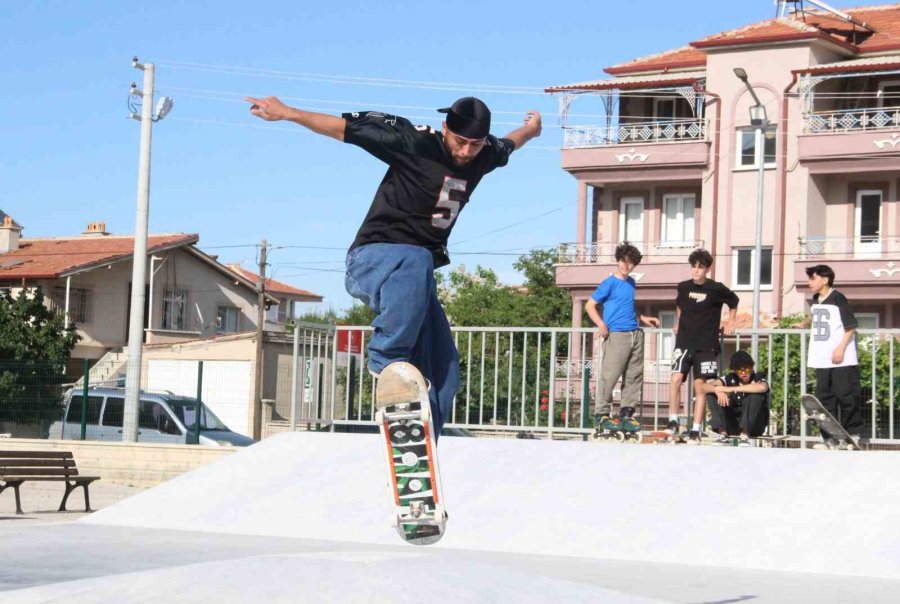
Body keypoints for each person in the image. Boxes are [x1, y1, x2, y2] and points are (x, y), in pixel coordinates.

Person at [246, 95, 542, 439]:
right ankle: (386, 364)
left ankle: (424, 438)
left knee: (445, 365)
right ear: (446, 128)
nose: (465, 152)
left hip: (413, 279)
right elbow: (346, 130)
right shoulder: (414, 140)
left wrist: (532, 130)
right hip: (372, 260)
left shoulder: (486, 153)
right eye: (460, 142)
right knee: (417, 257)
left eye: (474, 145)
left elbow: (511, 143)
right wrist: (288, 113)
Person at [584, 242, 659, 433]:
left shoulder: (631, 283)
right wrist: (601, 324)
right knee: (610, 375)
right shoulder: (609, 282)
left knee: (634, 376)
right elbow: (590, 305)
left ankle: (626, 414)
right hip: (616, 334)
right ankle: (601, 416)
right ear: (618, 261)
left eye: (631, 263)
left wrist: (642, 318)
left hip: (635, 333)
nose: (627, 266)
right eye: (624, 261)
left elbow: (628, 306)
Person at [666, 248, 739, 442]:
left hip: (706, 345)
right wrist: (678, 322)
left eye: (700, 267)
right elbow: (680, 305)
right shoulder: (683, 287)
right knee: (675, 379)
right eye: (694, 266)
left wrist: (731, 322)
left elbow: (734, 300)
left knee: (701, 387)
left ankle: (696, 429)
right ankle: (673, 421)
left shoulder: (716, 288)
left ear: (707, 269)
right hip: (684, 343)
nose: (696, 270)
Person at [790, 265, 862, 447]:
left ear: (825, 279)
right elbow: (816, 314)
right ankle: (829, 438)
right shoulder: (817, 299)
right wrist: (804, 323)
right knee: (823, 400)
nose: (809, 283)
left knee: (846, 396)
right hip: (822, 358)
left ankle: (852, 434)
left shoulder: (838, 298)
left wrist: (840, 349)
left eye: (813, 278)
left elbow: (851, 326)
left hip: (842, 358)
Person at [698, 350, 770, 445]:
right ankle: (722, 434)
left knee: (755, 395)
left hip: (754, 425)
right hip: (733, 424)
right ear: (735, 371)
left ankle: (744, 435)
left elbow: (763, 387)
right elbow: (704, 387)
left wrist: (729, 389)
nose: (744, 373)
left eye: (747, 369)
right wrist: (718, 391)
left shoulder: (757, 377)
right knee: (711, 394)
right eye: (740, 371)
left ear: (752, 368)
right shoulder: (730, 378)